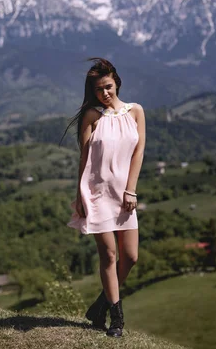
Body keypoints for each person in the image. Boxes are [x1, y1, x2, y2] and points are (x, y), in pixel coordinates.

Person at [63, 57, 146, 338]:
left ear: (117, 82)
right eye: (98, 89)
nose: (104, 93)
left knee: (131, 257)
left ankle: (99, 305)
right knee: (109, 255)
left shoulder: (136, 112)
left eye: (108, 86)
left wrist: (131, 189)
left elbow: (139, 153)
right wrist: (80, 196)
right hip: (97, 193)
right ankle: (117, 319)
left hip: (124, 194)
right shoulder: (92, 116)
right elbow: (83, 158)